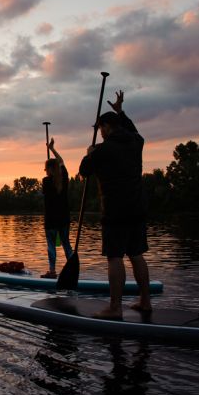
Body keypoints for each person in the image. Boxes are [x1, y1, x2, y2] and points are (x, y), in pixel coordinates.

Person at [78, 90, 151, 319]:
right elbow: (134, 131)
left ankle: (115, 307)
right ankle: (145, 301)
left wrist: (88, 154)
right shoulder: (136, 142)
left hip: (115, 212)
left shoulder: (103, 149)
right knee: (136, 253)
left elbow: (84, 171)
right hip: (137, 209)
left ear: (107, 127)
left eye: (100, 128)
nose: (100, 133)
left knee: (115, 256)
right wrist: (121, 113)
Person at [41, 138, 74, 278]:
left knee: (51, 245)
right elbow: (61, 161)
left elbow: (58, 164)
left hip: (51, 220)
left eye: (46, 168)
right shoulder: (65, 178)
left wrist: (50, 149)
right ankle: (72, 269)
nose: (45, 171)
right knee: (66, 245)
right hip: (64, 219)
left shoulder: (46, 181)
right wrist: (52, 149)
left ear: (49, 169)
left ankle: (52, 271)